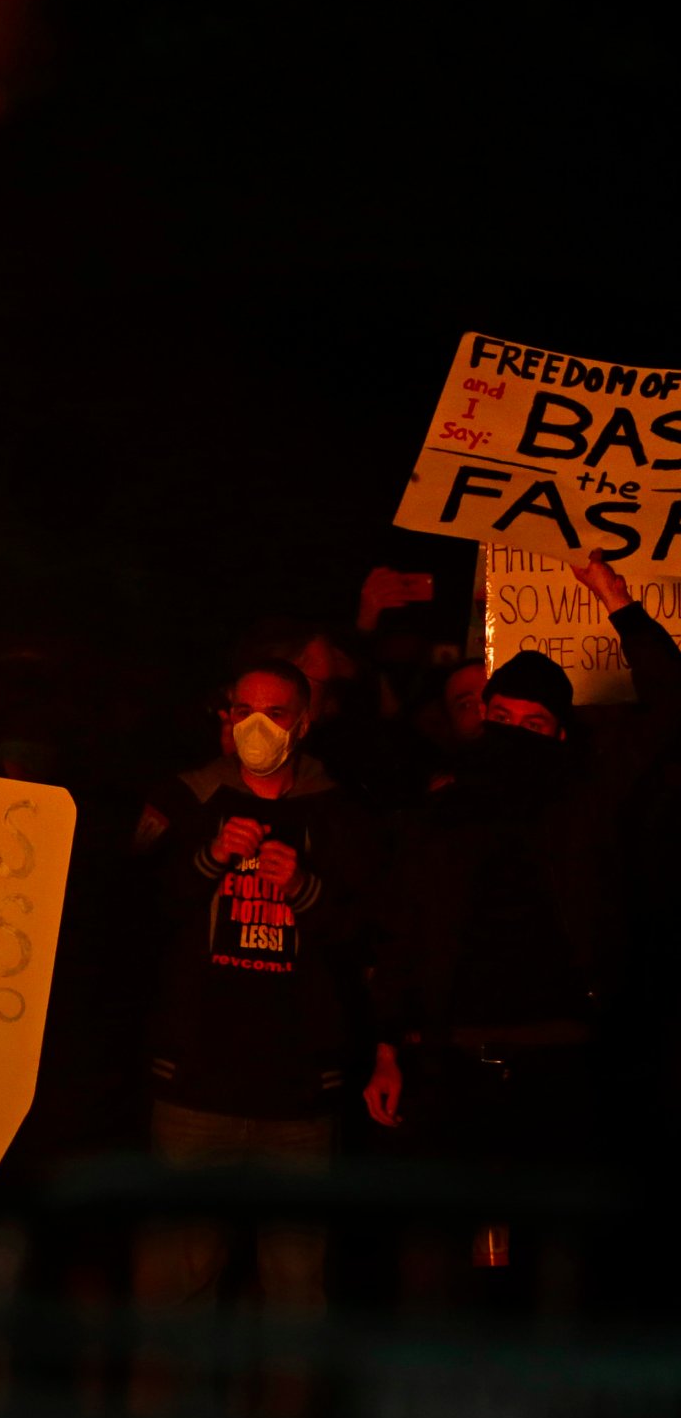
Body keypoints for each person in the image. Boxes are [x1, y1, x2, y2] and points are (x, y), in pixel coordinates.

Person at [363, 556, 681, 1218]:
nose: (512, 740)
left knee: (556, 1248)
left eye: (533, 727)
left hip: (561, 1067)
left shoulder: (585, 807)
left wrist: (617, 602)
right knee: (441, 1249)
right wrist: (388, 1046)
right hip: (447, 1065)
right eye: (500, 720)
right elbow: (403, 929)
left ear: (561, 736)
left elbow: (670, 710)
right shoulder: (439, 816)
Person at [132, 657, 377, 1326]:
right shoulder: (186, 800)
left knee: (297, 1293)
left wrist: (305, 890)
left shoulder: (340, 816)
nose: (258, 726)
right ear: (225, 716)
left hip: (297, 1096)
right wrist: (207, 860)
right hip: (194, 1087)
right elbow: (136, 915)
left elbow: (367, 936)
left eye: (275, 713)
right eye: (245, 711)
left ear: (304, 722)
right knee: (174, 1284)